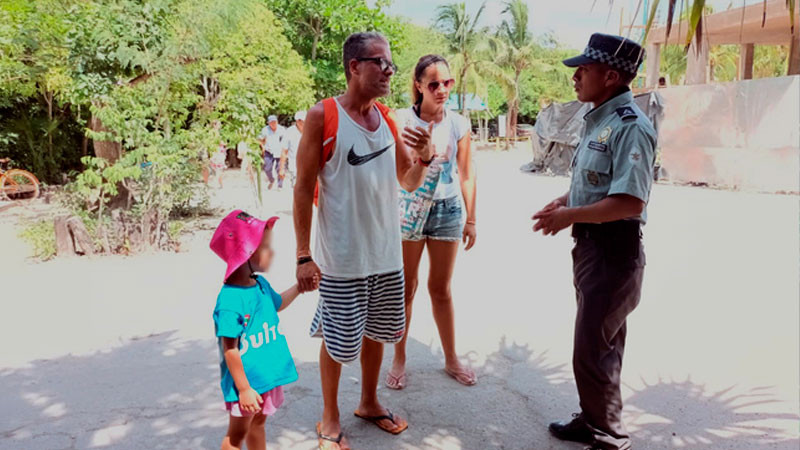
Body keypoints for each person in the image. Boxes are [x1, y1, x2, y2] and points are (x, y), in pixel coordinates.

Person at [293, 32, 436, 450]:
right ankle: (329, 416)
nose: (391, 71)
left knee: (377, 333)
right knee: (338, 342)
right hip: (342, 257)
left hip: (386, 254)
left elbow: (407, 180)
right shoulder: (324, 115)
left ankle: (369, 402)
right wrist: (304, 255)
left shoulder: (389, 120)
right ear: (354, 66)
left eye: (391, 64)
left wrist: (425, 157)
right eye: (381, 63)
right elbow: (303, 188)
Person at [532, 33, 656, 450]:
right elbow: (600, 184)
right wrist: (566, 200)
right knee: (600, 345)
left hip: (613, 250)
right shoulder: (599, 119)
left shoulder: (630, 126)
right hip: (592, 248)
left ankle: (610, 437)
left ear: (611, 75)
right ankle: (593, 419)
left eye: (584, 69)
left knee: (591, 351)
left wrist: (569, 216)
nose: (576, 76)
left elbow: (628, 200)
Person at [386, 54, 478, 390]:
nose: (442, 90)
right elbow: (402, 174)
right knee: (405, 289)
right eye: (434, 84)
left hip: (447, 211)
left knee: (440, 289)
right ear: (419, 86)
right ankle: (399, 357)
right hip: (409, 209)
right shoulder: (400, 120)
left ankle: (451, 358)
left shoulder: (458, 124)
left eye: (447, 83)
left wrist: (471, 219)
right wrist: (422, 154)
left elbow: (466, 174)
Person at [209, 209, 308, 450]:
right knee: (237, 435)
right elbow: (230, 350)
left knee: (259, 424)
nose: (271, 252)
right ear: (246, 253)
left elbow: (277, 304)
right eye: (265, 247)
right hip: (247, 383)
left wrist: (299, 288)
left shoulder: (260, 284)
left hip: (266, 377)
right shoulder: (230, 302)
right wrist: (244, 389)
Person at [258, 115, 287, 191]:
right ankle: (271, 180)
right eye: (271, 122)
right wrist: (263, 146)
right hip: (269, 151)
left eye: (275, 122)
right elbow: (260, 139)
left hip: (279, 151)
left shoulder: (282, 129)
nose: (273, 124)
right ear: (268, 123)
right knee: (267, 168)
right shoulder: (265, 130)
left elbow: (286, 140)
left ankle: (280, 185)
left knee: (280, 168)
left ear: (277, 122)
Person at [283, 110, 306, 188]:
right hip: (294, 165)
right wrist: (281, 169)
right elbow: (284, 151)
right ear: (298, 121)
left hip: (308, 164)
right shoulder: (289, 132)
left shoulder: (311, 130)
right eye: (303, 121)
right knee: (298, 187)